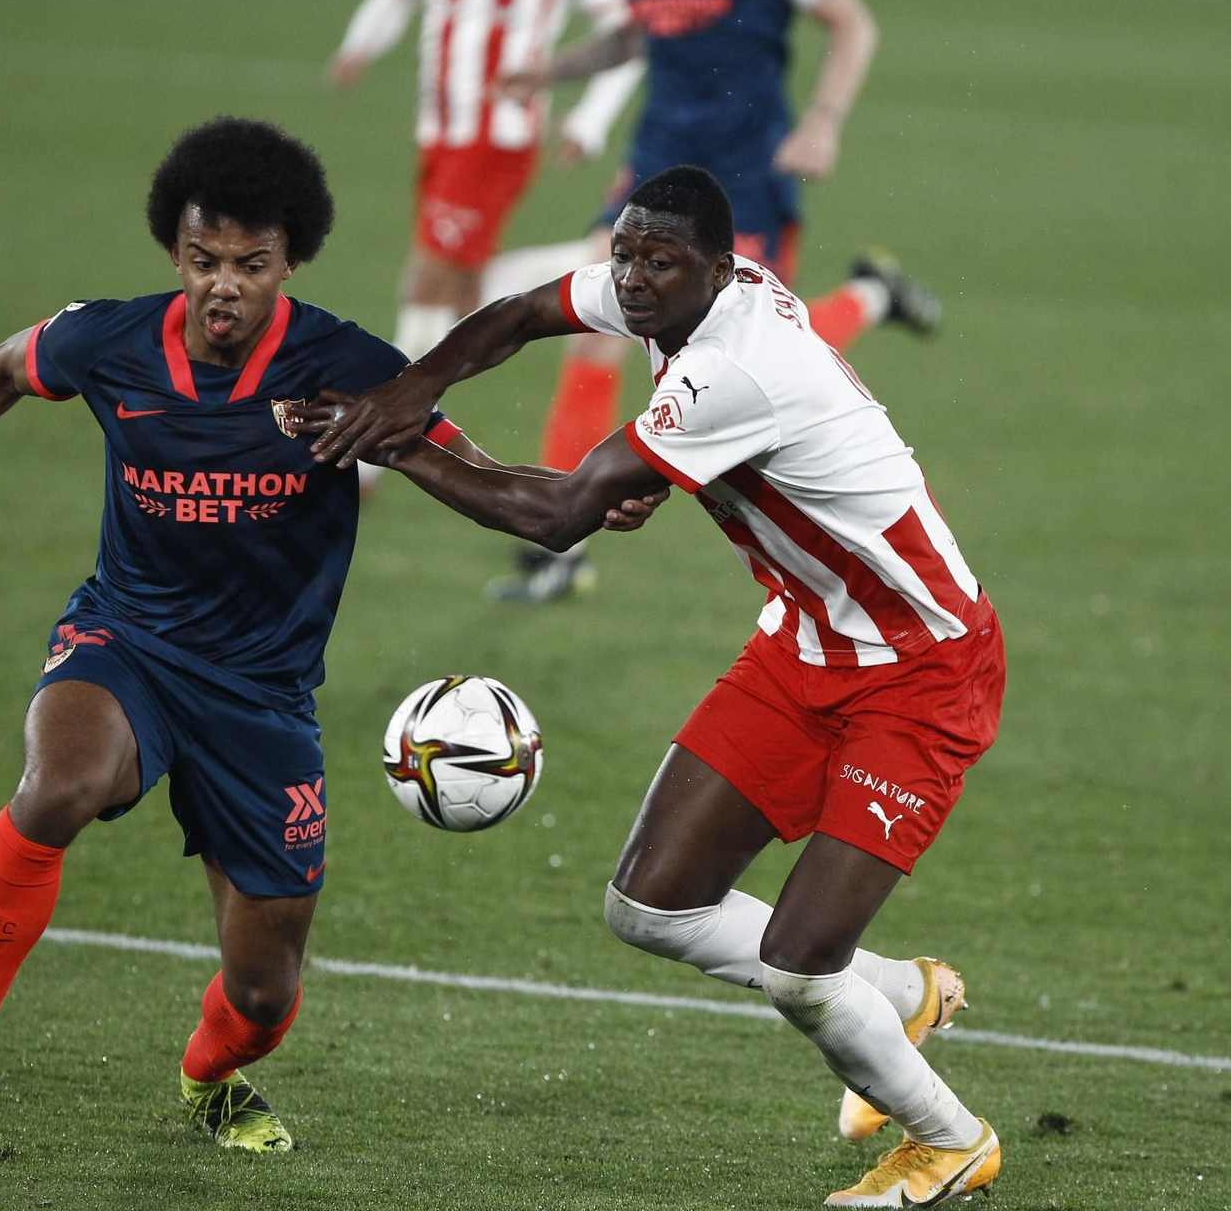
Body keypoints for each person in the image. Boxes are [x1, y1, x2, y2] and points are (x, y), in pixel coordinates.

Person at [0, 115, 663, 1153]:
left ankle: (209, 1079)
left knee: (265, 994)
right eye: (203, 260)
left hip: (264, 696)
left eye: (252, 264)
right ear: (174, 252)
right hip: (126, 640)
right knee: (61, 786)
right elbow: (1, 370)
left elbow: (478, 476)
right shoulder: (110, 341)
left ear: (290, 261)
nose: (225, 285)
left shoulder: (345, 368)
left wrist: (580, 496)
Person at [296, 165, 1005, 1206]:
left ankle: (949, 1141)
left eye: (654, 261)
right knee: (650, 904)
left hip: (921, 669)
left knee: (802, 962)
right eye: (623, 252)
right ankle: (902, 995)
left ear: (719, 268)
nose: (628, 278)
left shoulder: (736, 368)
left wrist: (402, 444)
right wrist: (418, 384)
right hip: (804, 642)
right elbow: (526, 311)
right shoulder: (674, 288)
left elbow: (554, 517)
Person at [486, 0, 942, 603]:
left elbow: (852, 24)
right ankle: (564, 547)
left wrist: (823, 121)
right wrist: (550, 72)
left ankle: (874, 295)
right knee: (593, 338)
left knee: (775, 350)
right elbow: (634, 36)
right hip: (656, 174)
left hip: (747, 181)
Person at [327, 0, 645, 368]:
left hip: (497, 136)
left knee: (428, 278)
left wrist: (590, 122)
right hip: (437, 131)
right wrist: (360, 45)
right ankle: (591, 265)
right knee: (463, 294)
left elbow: (628, 33)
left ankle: (398, 399)